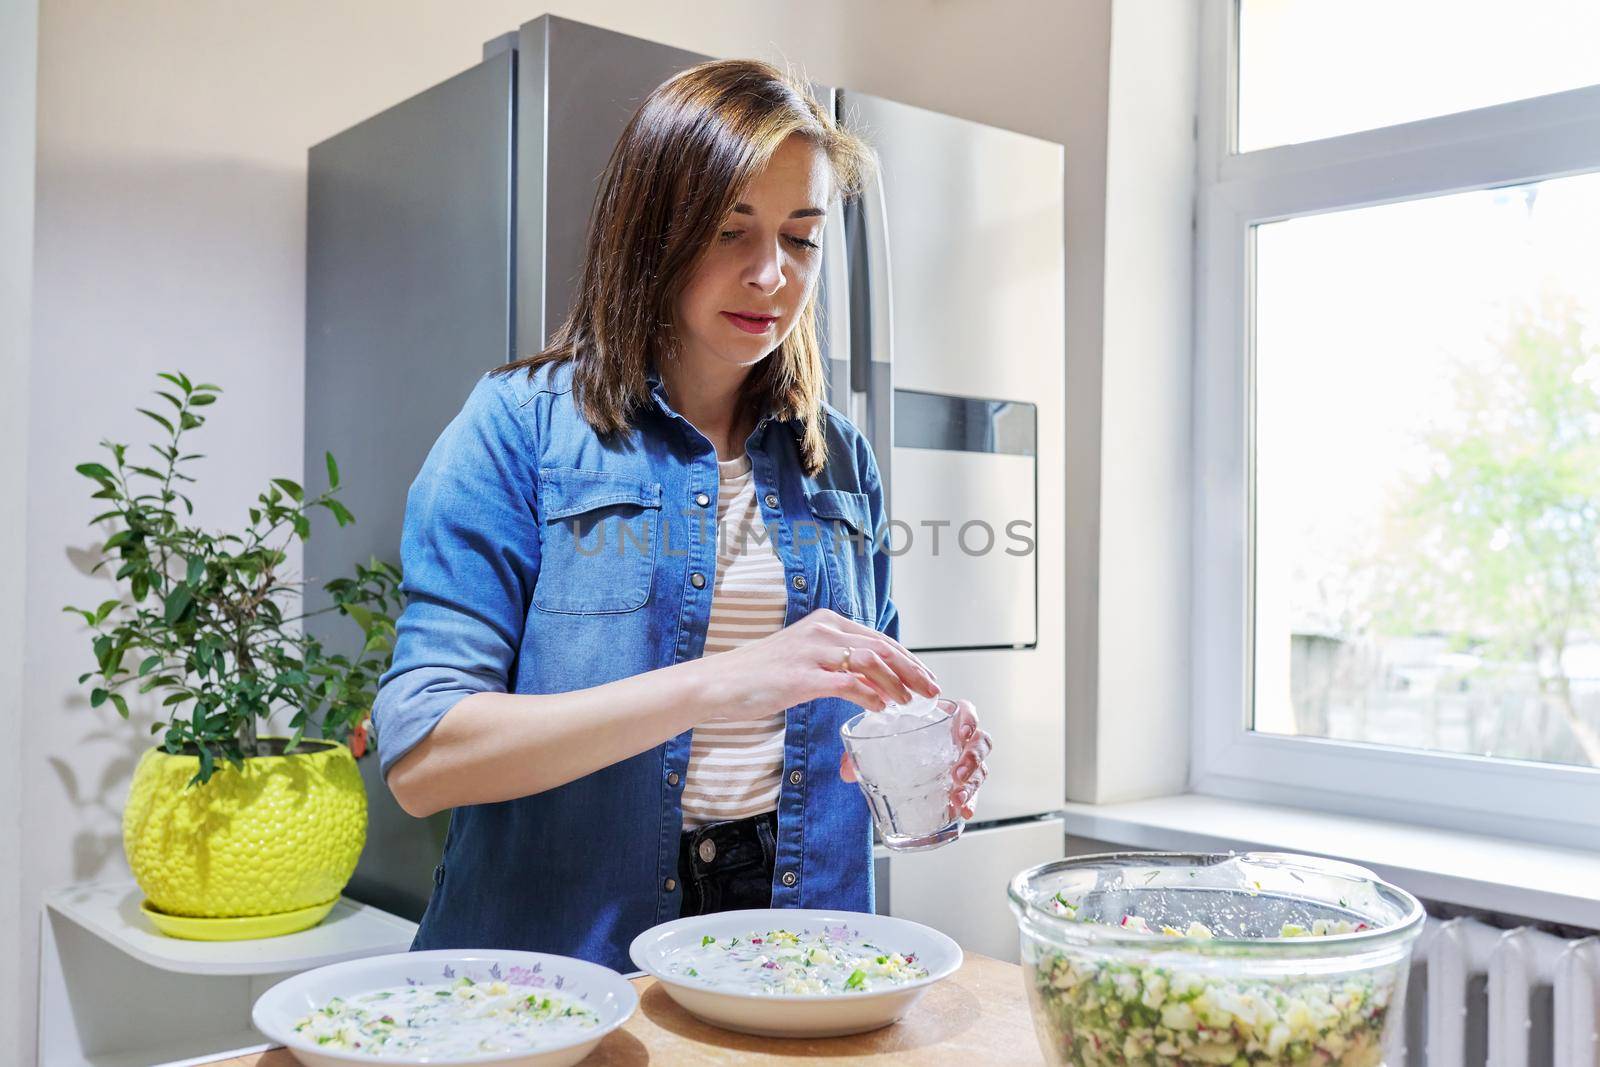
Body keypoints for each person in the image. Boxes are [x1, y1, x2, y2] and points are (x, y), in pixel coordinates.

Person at [371, 58, 993, 973]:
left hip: (793, 950)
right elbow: (425, 759)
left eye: (801, 237)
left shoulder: (838, 455)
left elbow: (849, 705)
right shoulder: (518, 431)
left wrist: (913, 731)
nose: (771, 273)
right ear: (651, 231)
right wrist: (722, 681)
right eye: (730, 228)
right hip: (561, 963)